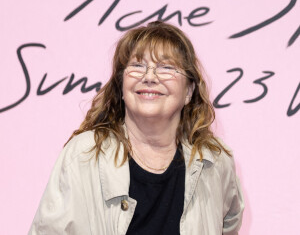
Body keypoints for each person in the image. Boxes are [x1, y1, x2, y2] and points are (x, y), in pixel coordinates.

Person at [29, 21, 244, 235]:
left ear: (189, 91)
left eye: (166, 67)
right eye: (138, 65)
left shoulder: (215, 162)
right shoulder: (83, 156)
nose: (149, 77)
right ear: (122, 87)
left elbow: (229, 224)